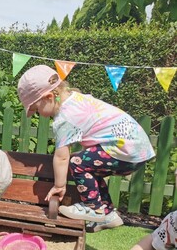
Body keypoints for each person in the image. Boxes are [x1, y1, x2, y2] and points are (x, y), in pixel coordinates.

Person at [17, 64, 155, 232]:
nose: (38, 114)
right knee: (90, 166)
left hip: (126, 148)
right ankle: (108, 213)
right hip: (137, 148)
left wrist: (59, 186)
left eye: (36, 109)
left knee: (77, 161)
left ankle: (93, 208)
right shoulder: (77, 99)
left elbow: (62, 157)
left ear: (48, 97)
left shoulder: (65, 118)